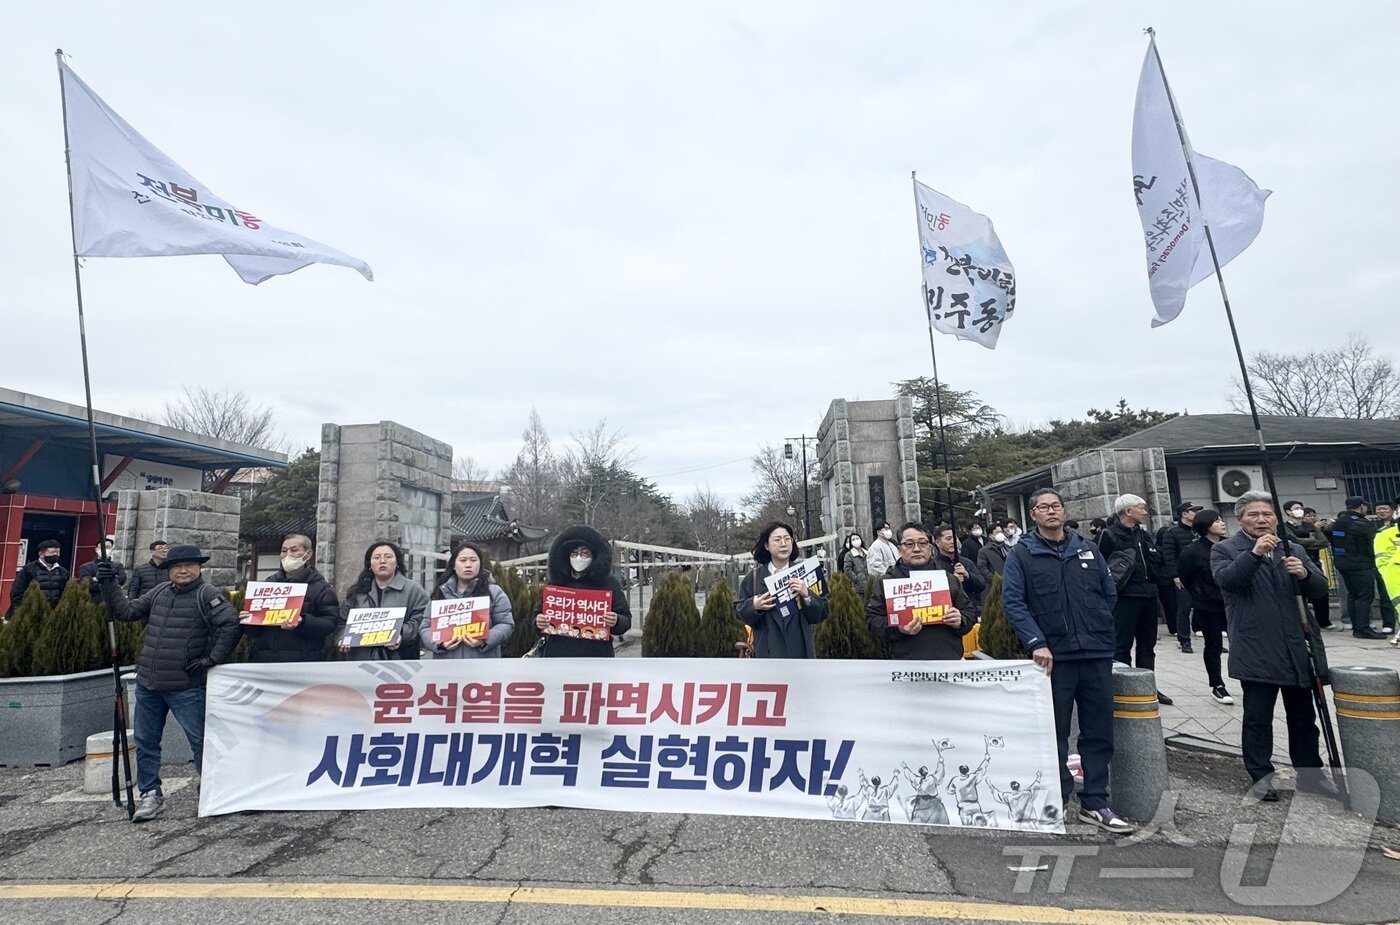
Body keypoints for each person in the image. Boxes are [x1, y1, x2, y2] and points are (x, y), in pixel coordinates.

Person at [1002, 487, 1135, 834]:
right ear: (1033, 514)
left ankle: (1096, 801)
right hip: (1053, 657)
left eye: (1056, 506)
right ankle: (1057, 798)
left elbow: (1108, 592)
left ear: (1063, 511)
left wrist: (1098, 624)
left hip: (1095, 652)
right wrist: (1036, 642)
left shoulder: (1086, 548)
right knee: (1055, 731)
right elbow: (1014, 602)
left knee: (1098, 731)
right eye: (1044, 507)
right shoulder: (1022, 554)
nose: (1051, 511)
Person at [94, 544, 240, 822]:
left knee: (200, 740)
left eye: (189, 565)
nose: (183, 570)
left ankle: (213, 788)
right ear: (168, 570)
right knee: (145, 741)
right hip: (148, 683)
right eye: (176, 566)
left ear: (199, 568)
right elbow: (126, 611)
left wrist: (212, 659)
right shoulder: (160, 592)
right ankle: (150, 793)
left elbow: (231, 624)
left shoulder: (207, 594)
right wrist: (110, 583)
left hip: (187, 685)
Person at [1210, 491, 1335, 802]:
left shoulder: (1292, 548)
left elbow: (1320, 588)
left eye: (1267, 514)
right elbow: (1228, 581)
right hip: (1255, 645)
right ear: (1240, 519)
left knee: (1304, 716)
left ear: (1276, 519)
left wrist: (1304, 573)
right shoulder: (1225, 549)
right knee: (1258, 718)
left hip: (1296, 644)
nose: (1261, 520)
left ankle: (1311, 774)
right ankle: (1261, 776)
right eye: (1253, 515)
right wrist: (1254, 554)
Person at [1097, 494, 1171, 704]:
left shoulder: (1144, 535)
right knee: (1121, 645)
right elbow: (1101, 567)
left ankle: (1148, 686)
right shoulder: (1109, 535)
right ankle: (1121, 687)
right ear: (1128, 511)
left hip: (1149, 594)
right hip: (1124, 597)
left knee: (1147, 645)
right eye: (1141, 507)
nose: (1145, 511)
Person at [866, 522, 972, 660]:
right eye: (909, 544)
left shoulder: (948, 579)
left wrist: (960, 620)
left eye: (922, 543)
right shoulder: (886, 582)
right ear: (899, 549)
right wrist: (899, 628)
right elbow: (872, 621)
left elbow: (969, 612)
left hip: (948, 659)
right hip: (905, 662)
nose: (917, 549)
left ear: (930, 548)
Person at [533, 525, 631, 657]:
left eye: (584, 553)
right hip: (558, 654)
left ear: (594, 556)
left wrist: (616, 620)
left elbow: (626, 619)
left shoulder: (608, 583)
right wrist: (539, 622)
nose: (578, 558)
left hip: (596, 656)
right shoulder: (557, 582)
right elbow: (538, 615)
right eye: (574, 553)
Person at [736, 521, 829, 658]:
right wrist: (754, 606)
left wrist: (807, 595)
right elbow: (740, 612)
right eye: (777, 540)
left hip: (800, 653)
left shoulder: (806, 573)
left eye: (787, 539)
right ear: (766, 545)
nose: (783, 544)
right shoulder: (753, 578)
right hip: (767, 654)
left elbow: (821, 613)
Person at [244, 534, 339, 662]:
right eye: (284, 551)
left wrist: (303, 622)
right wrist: (248, 620)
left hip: (303, 661)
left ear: (308, 554)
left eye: (294, 550)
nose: (288, 555)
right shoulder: (269, 584)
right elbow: (253, 633)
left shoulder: (322, 588)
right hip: (265, 660)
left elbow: (330, 624)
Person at [1175, 510, 1234, 705]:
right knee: (1213, 644)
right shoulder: (1192, 551)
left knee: (1241, 641)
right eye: (1216, 521)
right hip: (1208, 604)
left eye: (1221, 520)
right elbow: (1185, 576)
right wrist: (1200, 594)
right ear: (1205, 525)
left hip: (1232, 602)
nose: (1221, 523)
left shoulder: (1230, 545)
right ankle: (1217, 684)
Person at [338, 540, 429, 660]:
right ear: (370, 564)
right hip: (361, 659)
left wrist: (400, 634)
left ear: (397, 562)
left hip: (400, 659)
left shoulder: (413, 589)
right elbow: (341, 622)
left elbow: (421, 620)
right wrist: (342, 638)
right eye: (376, 557)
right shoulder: (357, 591)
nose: (382, 561)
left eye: (388, 557)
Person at [428, 540, 514, 658]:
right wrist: (440, 644)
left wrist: (485, 639)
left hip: (483, 662)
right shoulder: (441, 592)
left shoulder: (494, 592)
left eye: (473, 560)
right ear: (454, 565)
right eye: (463, 560)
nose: (468, 565)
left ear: (480, 564)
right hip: (447, 663)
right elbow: (425, 627)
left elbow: (505, 624)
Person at [1328, 496, 1387, 638]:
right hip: (1361, 564)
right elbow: (1372, 544)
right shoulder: (1363, 523)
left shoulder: (1337, 523)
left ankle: (1356, 627)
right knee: (1365, 596)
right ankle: (1363, 628)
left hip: (1342, 563)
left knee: (1352, 595)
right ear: (1361, 506)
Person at [1283, 501, 1333, 633]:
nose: (1300, 510)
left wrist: (1305, 542)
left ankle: (1324, 621)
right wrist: (1311, 541)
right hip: (1296, 563)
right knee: (1300, 594)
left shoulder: (1310, 526)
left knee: (1321, 591)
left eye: (1301, 508)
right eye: (1296, 508)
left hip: (1314, 562)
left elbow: (1324, 542)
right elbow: (1293, 542)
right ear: (1288, 512)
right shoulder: (1284, 527)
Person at [1156, 502, 1200, 654]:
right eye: (1193, 511)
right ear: (1184, 514)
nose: (1196, 513)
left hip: (1200, 575)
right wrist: (1175, 575)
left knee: (1206, 608)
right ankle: (1184, 640)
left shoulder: (1198, 531)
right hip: (1183, 576)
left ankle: (1213, 638)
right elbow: (1169, 556)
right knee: (1183, 609)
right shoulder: (1172, 533)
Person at [931, 523, 986, 620]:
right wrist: (953, 581)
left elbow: (981, 584)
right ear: (937, 542)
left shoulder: (966, 562)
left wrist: (968, 575)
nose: (953, 542)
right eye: (948, 539)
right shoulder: (933, 565)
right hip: (946, 614)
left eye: (954, 538)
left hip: (970, 612)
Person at [9, 539, 69, 612]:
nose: (56, 555)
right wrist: (20, 609)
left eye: (58, 552)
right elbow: (17, 591)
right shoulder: (29, 570)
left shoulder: (62, 572)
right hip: (32, 611)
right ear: (41, 554)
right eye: (52, 552)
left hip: (54, 612)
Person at [1369, 500, 1398, 636]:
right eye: (1379, 509)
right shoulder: (1372, 526)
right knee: (1385, 595)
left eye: (1385, 509)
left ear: (1393, 510)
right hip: (1383, 567)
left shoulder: (1396, 524)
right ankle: (1388, 623)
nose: (1382, 511)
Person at [78, 536, 127, 603]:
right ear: (96, 549)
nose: (105, 549)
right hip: (92, 602)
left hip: (113, 602)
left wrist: (96, 579)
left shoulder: (118, 566)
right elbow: (87, 584)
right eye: (102, 547)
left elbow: (121, 580)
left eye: (108, 547)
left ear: (112, 549)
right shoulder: (86, 567)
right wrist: (110, 580)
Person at [837, 532, 868, 596]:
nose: (856, 540)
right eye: (853, 539)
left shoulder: (867, 552)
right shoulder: (849, 555)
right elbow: (847, 569)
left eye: (857, 538)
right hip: (858, 588)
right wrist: (856, 579)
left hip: (869, 584)